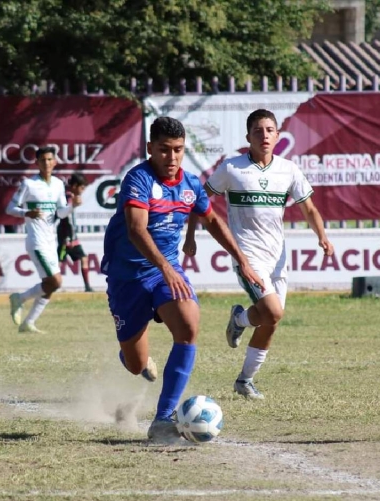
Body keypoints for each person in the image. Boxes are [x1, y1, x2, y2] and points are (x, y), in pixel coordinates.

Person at [102, 116, 263, 442]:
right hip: (129, 279)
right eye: (164, 150)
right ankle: (136, 356)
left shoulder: (189, 184)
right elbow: (136, 230)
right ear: (150, 148)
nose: (172, 157)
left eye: (178, 150)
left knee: (189, 324)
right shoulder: (138, 180)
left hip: (166, 275)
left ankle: (162, 419)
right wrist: (166, 267)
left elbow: (213, 221)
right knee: (135, 365)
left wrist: (242, 260)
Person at [183, 109, 334, 400]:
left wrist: (322, 237)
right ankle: (240, 322)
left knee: (271, 320)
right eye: (257, 131)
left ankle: (245, 378)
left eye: (269, 130)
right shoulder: (232, 169)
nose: (264, 135)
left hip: (278, 257)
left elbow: (310, 209)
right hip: (248, 256)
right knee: (274, 311)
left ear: (277, 135)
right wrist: (190, 236)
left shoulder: (288, 170)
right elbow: (200, 202)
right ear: (248, 137)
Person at [6, 146, 80, 333]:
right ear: (37, 163)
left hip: (51, 240)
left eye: (49, 159)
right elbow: (9, 209)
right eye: (42, 160)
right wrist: (26, 212)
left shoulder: (57, 184)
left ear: (54, 162)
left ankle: (29, 323)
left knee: (49, 286)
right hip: (36, 241)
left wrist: (73, 206)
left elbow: (61, 213)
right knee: (55, 281)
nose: (46, 163)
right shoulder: (29, 184)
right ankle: (20, 298)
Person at [57, 174, 93, 292]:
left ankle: (87, 286)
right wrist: (66, 237)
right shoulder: (67, 197)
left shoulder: (72, 197)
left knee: (83, 258)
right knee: (58, 262)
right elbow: (64, 215)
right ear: (75, 186)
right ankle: (53, 284)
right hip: (65, 237)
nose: (82, 191)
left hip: (73, 237)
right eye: (82, 188)